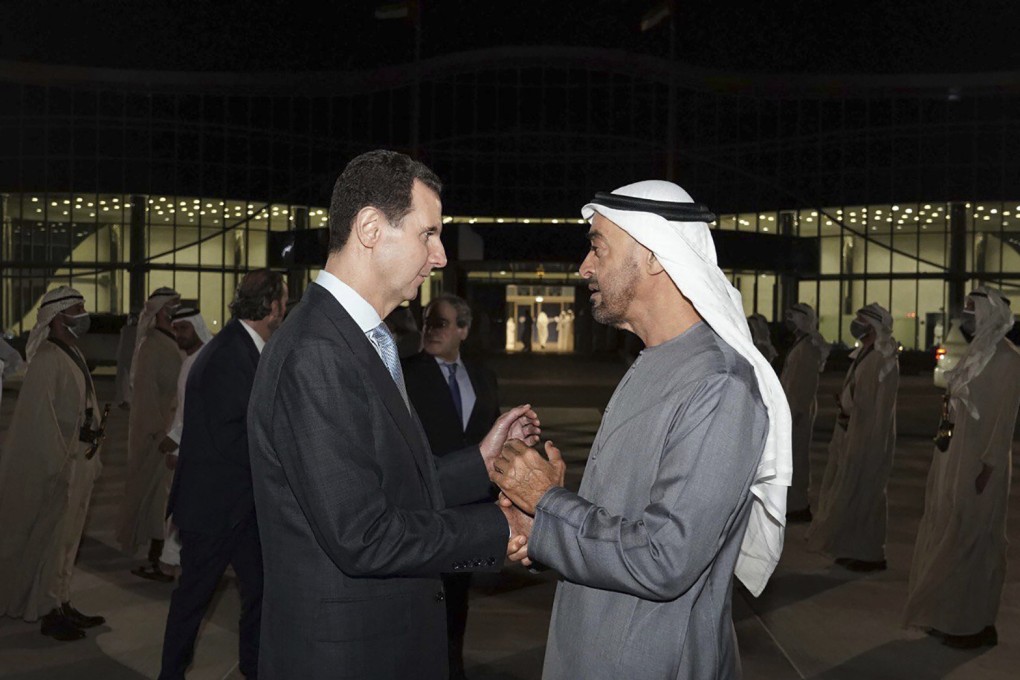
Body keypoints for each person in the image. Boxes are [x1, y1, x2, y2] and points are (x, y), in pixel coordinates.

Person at [246, 150, 538, 680]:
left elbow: (388, 486)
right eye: (428, 234)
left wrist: (480, 461)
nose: (441, 255)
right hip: (346, 658)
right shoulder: (317, 351)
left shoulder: (356, 338)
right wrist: (501, 525)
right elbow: (364, 534)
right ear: (371, 229)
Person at [490, 180, 792, 680]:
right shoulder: (655, 362)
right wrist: (541, 524)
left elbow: (663, 557)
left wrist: (547, 502)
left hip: (652, 659)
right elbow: (622, 522)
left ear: (654, 256)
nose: (584, 267)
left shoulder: (719, 386)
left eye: (597, 246)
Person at [160, 271, 287, 680]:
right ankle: (171, 674)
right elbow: (236, 437)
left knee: (261, 593)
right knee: (193, 601)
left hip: (238, 507)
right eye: (283, 301)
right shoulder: (230, 354)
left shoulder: (240, 347)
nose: (285, 309)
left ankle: (254, 667)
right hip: (215, 509)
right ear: (270, 307)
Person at [903, 288, 1020, 648]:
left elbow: (1004, 420)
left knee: (975, 538)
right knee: (949, 532)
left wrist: (990, 465)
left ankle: (973, 623)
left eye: (973, 312)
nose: (966, 318)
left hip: (981, 463)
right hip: (954, 455)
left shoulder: (1008, 358)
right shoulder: (976, 353)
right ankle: (947, 614)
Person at [402, 293, 502, 680]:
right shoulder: (405, 373)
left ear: (463, 329)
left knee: (457, 601)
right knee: (424, 598)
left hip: (468, 513)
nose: (429, 330)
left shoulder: (483, 376)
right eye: (427, 322)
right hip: (423, 508)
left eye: (441, 323)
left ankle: (452, 667)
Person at [0, 287, 105, 641]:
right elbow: (40, 422)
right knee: (52, 539)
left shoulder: (70, 351)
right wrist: (60, 468)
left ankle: (61, 600)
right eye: (78, 308)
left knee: (69, 540)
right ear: (59, 316)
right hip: (61, 466)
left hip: (79, 462)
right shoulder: (47, 358)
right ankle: (47, 610)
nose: (84, 314)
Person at [807, 303, 898, 571]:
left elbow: (880, 408)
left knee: (868, 495)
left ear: (874, 326)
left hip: (870, 437)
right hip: (852, 430)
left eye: (861, 320)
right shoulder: (865, 354)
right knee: (851, 492)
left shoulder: (884, 359)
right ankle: (852, 549)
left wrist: (870, 439)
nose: (856, 324)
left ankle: (871, 554)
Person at [118, 287, 182, 581]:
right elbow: (145, 397)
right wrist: (159, 435)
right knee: (158, 501)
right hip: (160, 438)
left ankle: (167, 558)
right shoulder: (152, 345)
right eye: (169, 309)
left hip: (176, 435)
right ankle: (158, 558)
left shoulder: (174, 342)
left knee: (168, 500)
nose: (173, 314)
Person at [156, 307, 214, 569]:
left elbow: (201, 411)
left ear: (197, 327)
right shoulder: (191, 359)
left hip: (198, 452)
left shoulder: (205, 360)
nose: (179, 334)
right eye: (175, 328)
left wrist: (176, 444)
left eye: (184, 328)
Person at [780, 303, 830, 522]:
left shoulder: (808, 347)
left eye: (793, 318)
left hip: (798, 413)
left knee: (797, 460)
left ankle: (799, 506)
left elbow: (806, 383)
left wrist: (797, 411)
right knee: (791, 459)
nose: (790, 322)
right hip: (792, 410)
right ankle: (792, 504)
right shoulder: (800, 344)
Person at [114, 312, 138, 408]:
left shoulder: (131, 331)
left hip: (129, 358)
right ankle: (126, 400)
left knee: (128, 379)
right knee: (125, 380)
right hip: (126, 357)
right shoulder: (126, 330)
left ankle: (129, 400)